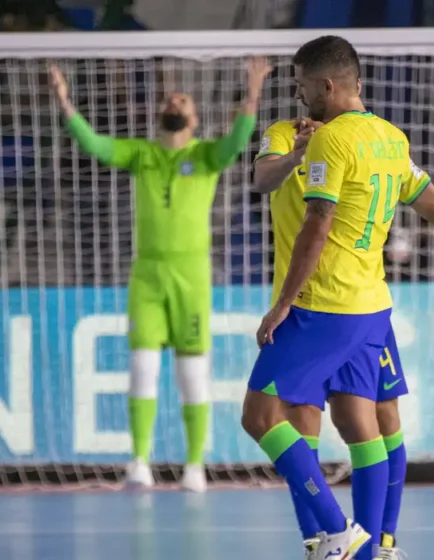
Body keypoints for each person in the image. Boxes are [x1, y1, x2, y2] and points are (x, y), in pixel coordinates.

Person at [240, 35, 434, 560]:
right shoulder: (381, 139)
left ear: (326, 85)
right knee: (356, 421)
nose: (298, 92)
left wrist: (284, 302)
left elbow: (317, 223)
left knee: (263, 416)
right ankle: (362, 546)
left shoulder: (339, 141)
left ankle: (343, 533)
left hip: (321, 302)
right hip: (370, 307)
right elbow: (262, 179)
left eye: (304, 83)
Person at [49, 58, 270, 493]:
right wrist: (64, 102)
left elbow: (238, 140)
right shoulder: (142, 154)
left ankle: (193, 466)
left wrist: (253, 91)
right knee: (142, 367)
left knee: (192, 372)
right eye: (170, 98)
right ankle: (138, 462)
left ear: (194, 118)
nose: (174, 100)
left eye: (182, 99)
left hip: (191, 275)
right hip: (147, 274)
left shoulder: (206, 156)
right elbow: (96, 145)